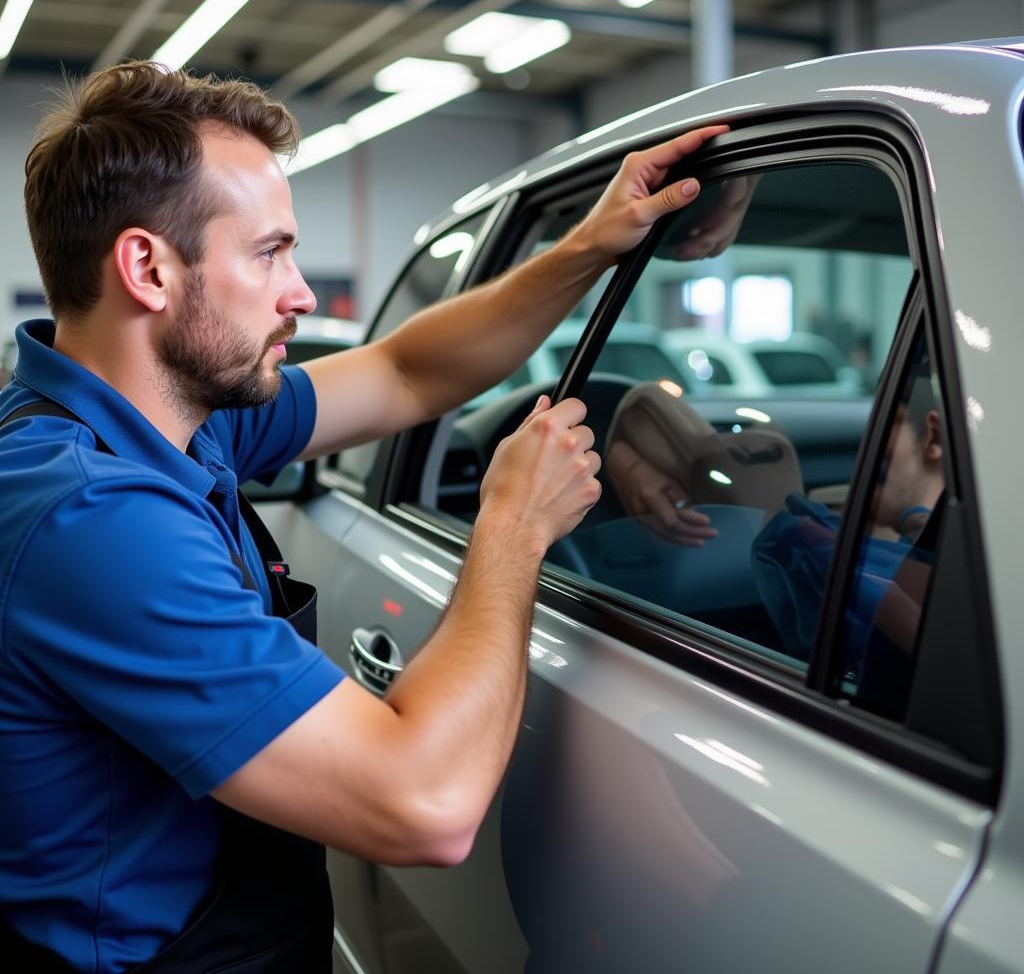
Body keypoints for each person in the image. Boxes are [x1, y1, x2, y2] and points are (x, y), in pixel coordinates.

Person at [0, 61, 726, 973]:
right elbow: (424, 803)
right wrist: (512, 528)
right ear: (147, 268)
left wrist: (588, 245)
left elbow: (405, 372)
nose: (302, 294)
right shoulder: (89, 517)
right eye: (269, 253)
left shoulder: (179, 418)